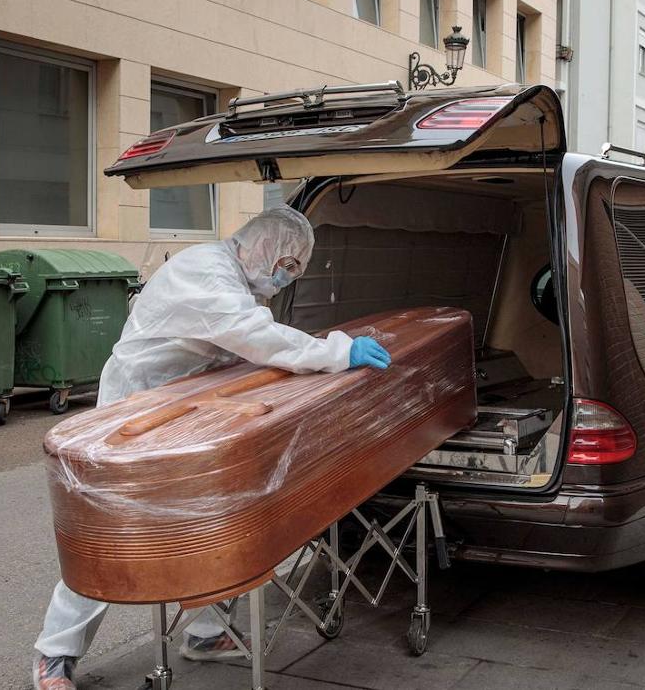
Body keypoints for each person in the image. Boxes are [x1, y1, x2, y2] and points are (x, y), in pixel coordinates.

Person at [33, 206, 392, 690]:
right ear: (263, 246)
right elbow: (252, 335)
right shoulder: (205, 270)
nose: (286, 279)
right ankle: (55, 654)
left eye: (295, 271)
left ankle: (204, 632)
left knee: (203, 524)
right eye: (287, 265)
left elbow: (248, 343)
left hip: (188, 410)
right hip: (138, 412)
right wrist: (335, 351)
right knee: (113, 534)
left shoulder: (235, 280)